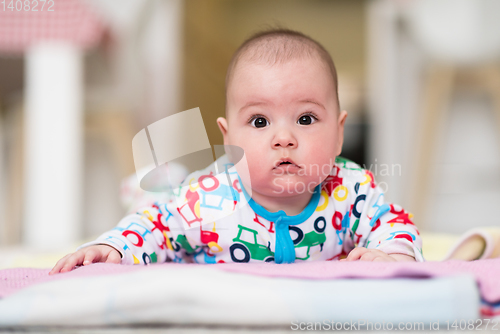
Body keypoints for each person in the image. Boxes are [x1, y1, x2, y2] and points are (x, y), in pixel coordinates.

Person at [50, 29, 423, 275]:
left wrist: (391, 256)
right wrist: (110, 246)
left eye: (306, 118)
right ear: (230, 141)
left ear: (339, 134)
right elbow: (156, 227)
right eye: (259, 122)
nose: (284, 137)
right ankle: (153, 184)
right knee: (156, 205)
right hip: (183, 197)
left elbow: (395, 224)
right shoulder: (208, 199)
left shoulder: (351, 191)